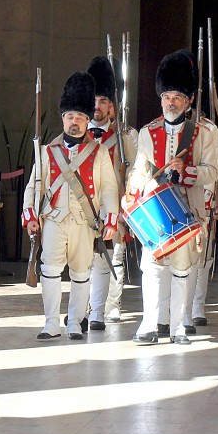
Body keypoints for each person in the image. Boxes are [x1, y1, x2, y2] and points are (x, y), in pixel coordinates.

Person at [124, 49, 218, 345]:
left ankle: (179, 326)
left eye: (177, 97)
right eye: (166, 96)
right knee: (151, 266)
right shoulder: (148, 131)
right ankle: (150, 324)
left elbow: (211, 173)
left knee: (182, 269)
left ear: (189, 100)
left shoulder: (206, 132)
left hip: (189, 211)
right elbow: (140, 170)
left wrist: (187, 170)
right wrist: (131, 192)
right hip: (156, 210)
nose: (170, 102)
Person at [22, 71, 119, 341]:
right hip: (53, 219)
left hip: (83, 221)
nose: (73, 122)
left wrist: (110, 220)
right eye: (69, 117)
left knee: (80, 272)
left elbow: (109, 188)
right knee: (50, 270)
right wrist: (30, 214)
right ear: (62, 119)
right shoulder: (47, 151)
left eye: (79, 117)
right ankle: (51, 322)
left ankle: (75, 322)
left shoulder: (98, 153)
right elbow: (34, 186)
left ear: (88, 120)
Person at [83, 56, 138, 331]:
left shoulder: (125, 136)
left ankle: (111, 306)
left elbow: (134, 170)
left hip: (113, 206)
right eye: (94, 100)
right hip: (85, 208)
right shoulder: (80, 134)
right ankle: (88, 307)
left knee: (113, 257)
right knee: (84, 261)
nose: (97, 106)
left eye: (104, 101)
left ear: (112, 108)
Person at [184, 133, 218, 330]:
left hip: (207, 207)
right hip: (182, 202)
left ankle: (197, 307)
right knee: (180, 261)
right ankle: (176, 310)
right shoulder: (176, 132)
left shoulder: (215, 135)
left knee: (203, 260)